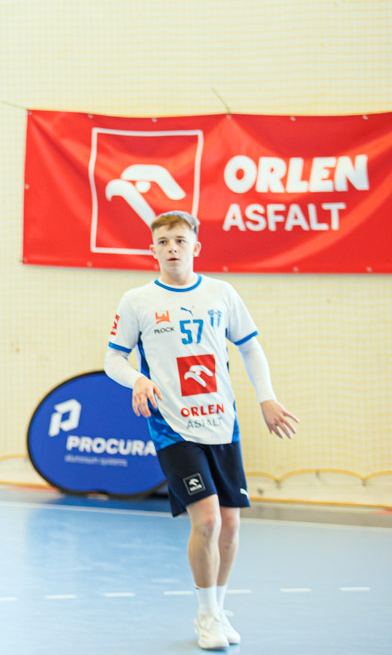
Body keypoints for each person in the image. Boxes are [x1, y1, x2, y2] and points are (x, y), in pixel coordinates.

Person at [104, 211, 297, 651]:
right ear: (152, 250)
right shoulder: (137, 301)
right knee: (207, 520)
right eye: (163, 241)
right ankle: (206, 615)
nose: (172, 248)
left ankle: (217, 609)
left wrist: (266, 397)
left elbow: (250, 349)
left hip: (222, 423)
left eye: (180, 240)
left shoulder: (221, 293)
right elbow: (114, 359)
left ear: (196, 247)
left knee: (230, 525)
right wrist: (137, 379)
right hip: (173, 426)